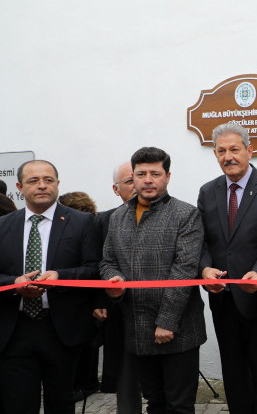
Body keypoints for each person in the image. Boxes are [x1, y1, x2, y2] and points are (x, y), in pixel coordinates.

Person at [100, 147, 206, 414]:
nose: (148, 179)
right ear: (133, 178)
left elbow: (184, 270)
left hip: (178, 330)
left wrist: (167, 322)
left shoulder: (186, 214)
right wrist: (113, 280)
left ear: (167, 177)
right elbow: (107, 261)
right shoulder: (118, 218)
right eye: (141, 174)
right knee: (155, 403)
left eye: (155, 173)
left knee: (179, 406)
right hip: (137, 328)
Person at [197, 123, 257, 414]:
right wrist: (204, 270)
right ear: (215, 154)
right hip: (222, 299)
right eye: (222, 151)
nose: (229, 156)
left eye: (235, 149)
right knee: (233, 376)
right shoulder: (207, 191)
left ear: (250, 150)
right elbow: (202, 243)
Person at [0, 160, 100, 413]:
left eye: (48, 180)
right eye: (34, 181)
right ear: (20, 187)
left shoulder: (81, 223)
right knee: (18, 405)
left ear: (58, 184)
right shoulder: (3, 226)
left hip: (62, 330)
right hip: (14, 330)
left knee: (61, 404)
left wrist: (61, 276)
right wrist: (14, 283)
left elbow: (94, 269)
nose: (42, 186)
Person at [94, 161, 141, 413]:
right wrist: (99, 302)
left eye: (140, 177)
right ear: (116, 189)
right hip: (118, 310)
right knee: (125, 374)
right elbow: (96, 263)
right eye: (129, 181)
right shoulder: (104, 220)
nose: (137, 185)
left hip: (156, 307)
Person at [57, 191, 102, 402]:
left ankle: (85, 384)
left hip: (88, 293)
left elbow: (95, 265)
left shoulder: (88, 226)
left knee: (87, 344)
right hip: (80, 294)